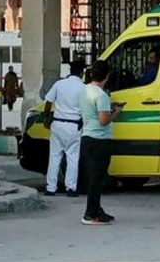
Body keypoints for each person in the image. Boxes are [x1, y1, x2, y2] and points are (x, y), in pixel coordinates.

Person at [79, 60, 124, 225]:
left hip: (87, 137)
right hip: (100, 140)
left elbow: (92, 111)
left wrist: (107, 107)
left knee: (93, 177)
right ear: (107, 75)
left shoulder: (85, 90)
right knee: (96, 179)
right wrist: (116, 111)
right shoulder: (101, 95)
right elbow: (104, 121)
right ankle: (90, 214)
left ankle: (97, 210)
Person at [43, 60, 87, 197]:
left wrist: (46, 118)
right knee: (73, 158)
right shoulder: (84, 88)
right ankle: (71, 188)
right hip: (74, 126)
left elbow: (48, 102)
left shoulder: (59, 84)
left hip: (57, 124)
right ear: (82, 73)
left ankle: (51, 188)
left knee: (54, 157)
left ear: (70, 71)